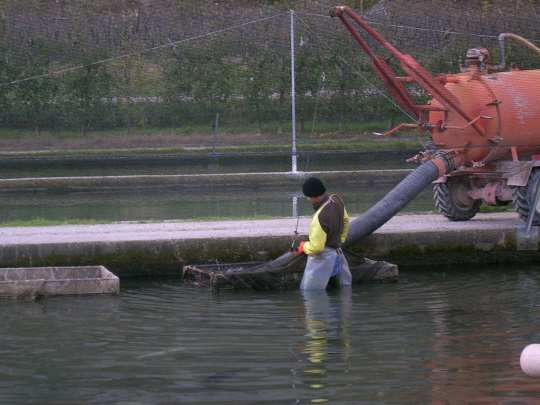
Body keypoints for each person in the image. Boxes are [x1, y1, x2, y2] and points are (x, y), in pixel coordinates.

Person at [292, 177, 352, 290]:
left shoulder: (319, 218)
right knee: (344, 290)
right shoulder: (337, 200)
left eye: (308, 197)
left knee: (310, 293)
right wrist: (341, 240)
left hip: (323, 258)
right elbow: (346, 221)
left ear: (314, 196)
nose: (308, 199)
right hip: (338, 253)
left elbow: (316, 248)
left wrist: (303, 246)